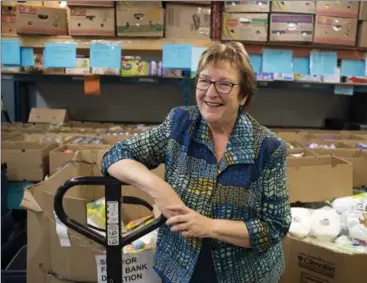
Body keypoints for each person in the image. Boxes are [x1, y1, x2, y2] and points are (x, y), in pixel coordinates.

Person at [101, 41, 291, 283]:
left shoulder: (268, 148)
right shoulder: (181, 124)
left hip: (244, 273)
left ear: (243, 95)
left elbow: (274, 227)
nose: (211, 93)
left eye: (224, 84)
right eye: (204, 81)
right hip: (179, 267)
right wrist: (160, 189)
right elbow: (115, 156)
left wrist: (209, 226)